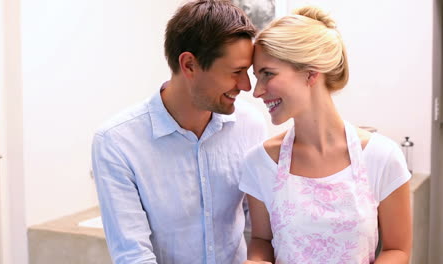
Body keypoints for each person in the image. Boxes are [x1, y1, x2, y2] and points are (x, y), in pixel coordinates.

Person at [91, 1, 267, 263]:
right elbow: (133, 255)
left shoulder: (250, 125)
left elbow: (258, 226)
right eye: (236, 72)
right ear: (189, 65)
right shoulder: (116, 142)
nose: (246, 85)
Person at [239, 6, 412, 264]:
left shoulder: (382, 157)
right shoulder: (260, 162)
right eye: (257, 76)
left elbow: (397, 250)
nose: (257, 91)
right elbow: (261, 241)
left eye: (268, 74)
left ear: (311, 72)